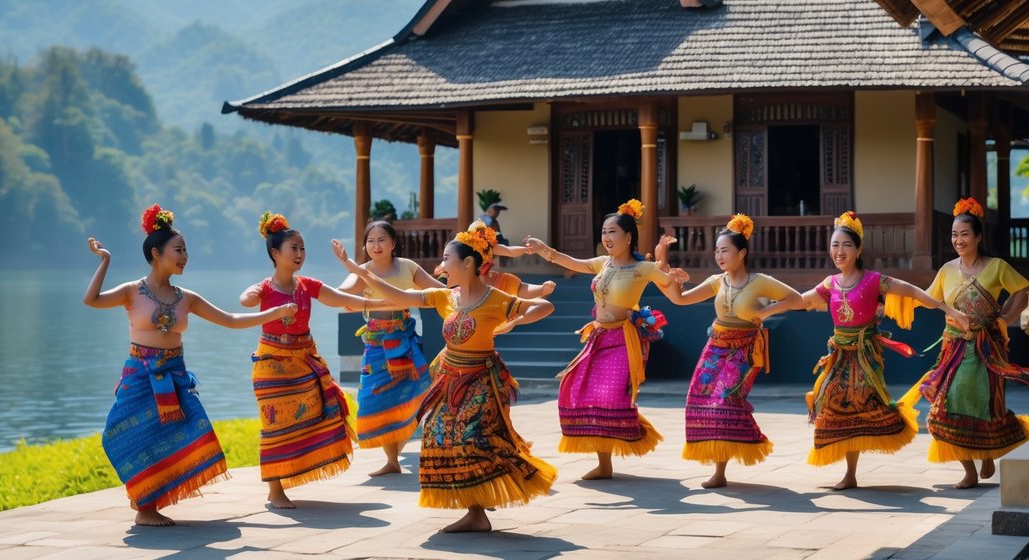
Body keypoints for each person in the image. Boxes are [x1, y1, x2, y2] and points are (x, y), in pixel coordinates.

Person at [84, 204, 297, 527]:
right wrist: (105, 261)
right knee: (128, 436)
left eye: (186, 250)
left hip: (175, 376)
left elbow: (232, 319)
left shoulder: (187, 297)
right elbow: (92, 299)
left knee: (186, 434)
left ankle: (148, 507)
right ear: (156, 253)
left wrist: (273, 314)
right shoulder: (131, 291)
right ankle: (144, 506)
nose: (185, 256)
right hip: (139, 375)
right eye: (178, 250)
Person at [334, 225, 557, 533]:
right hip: (449, 378)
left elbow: (545, 306)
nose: (441, 265)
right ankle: (476, 511)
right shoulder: (444, 297)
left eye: (446, 258)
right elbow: (400, 295)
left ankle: (480, 505)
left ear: (467, 264)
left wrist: (512, 322)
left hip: (481, 379)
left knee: (472, 439)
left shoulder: (495, 298)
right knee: (440, 437)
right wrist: (358, 271)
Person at [804, 211, 968, 490]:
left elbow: (913, 291)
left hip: (865, 357)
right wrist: (766, 306)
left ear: (858, 249)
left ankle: (853, 471)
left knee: (864, 407)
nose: (839, 251)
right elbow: (799, 300)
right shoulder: (829, 284)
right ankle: (850, 474)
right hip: (838, 357)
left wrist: (947, 308)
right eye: (834, 245)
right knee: (833, 407)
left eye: (845, 245)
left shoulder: (874, 280)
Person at [524, 198, 684, 480]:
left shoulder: (641, 268)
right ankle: (604, 463)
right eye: (604, 232)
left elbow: (667, 282)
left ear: (628, 236)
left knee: (611, 396)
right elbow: (571, 262)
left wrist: (671, 271)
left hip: (624, 338)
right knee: (578, 390)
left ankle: (627, 434)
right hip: (598, 336)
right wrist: (543, 249)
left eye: (613, 232)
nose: (607, 237)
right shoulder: (602, 264)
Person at [658, 213, 806, 489]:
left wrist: (767, 310)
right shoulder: (717, 281)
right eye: (717, 250)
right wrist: (667, 273)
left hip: (745, 348)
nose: (719, 256)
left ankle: (721, 468)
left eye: (725, 250)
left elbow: (796, 300)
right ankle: (720, 469)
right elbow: (679, 299)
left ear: (742, 252)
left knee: (724, 400)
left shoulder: (760, 281)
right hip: (715, 345)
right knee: (698, 398)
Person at [243, 211, 375, 509]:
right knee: (275, 425)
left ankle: (297, 469)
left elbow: (341, 298)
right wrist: (251, 293)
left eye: (303, 248)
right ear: (275, 254)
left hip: (304, 359)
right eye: (294, 248)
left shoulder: (307, 285)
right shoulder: (265, 287)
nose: (300, 254)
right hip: (272, 364)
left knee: (320, 409)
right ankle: (275, 491)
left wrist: (377, 302)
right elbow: (245, 301)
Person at [903, 197, 1029, 489]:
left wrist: (1006, 316)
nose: (958, 240)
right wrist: (898, 300)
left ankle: (987, 452)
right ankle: (969, 470)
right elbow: (929, 298)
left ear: (978, 237)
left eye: (964, 234)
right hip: (953, 348)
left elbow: (1024, 290)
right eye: (954, 235)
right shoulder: (947, 270)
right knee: (946, 405)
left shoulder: (997, 266)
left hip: (987, 349)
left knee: (985, 405)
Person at [337, 219, 443, 477]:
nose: (376, 245)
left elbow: (439, 291)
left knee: (418, 392)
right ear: (365, 246)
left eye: (382, 239)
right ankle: (392, 460)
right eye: (370, 241)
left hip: (404, 337)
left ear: (393, 243)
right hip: (376, 343)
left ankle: (401, 443)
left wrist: (464, 285)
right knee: (378, 397)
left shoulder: (408, 267)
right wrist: (366, 300)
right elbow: (341, 294)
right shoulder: (362, 271)